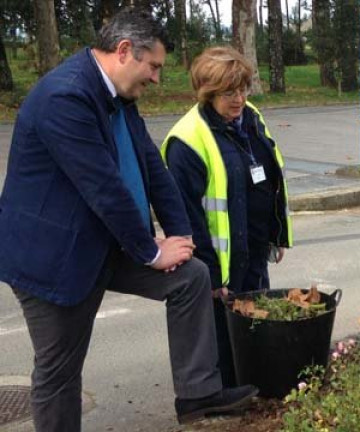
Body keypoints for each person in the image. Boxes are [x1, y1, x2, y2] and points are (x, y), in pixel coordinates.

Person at [0, 9, 258, 430]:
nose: (157, 78)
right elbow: (103, 188)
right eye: (153, 66)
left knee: (191, 276)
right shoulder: (64, 98)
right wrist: (152, 251)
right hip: (53, 259)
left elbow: (153, 169)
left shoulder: (119, 97)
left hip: (106, 242)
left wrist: (181, 236)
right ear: (124, 51)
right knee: (59, 371)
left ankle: (197, 393)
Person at [162, 46, 293, 388]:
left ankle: (255, 381)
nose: (238, 99)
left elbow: (271, 176)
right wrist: (210, 272)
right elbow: (185, 215)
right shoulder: (187, 141)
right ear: (207, 93)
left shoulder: (249, 116)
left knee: (255, 319)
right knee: (225, 334)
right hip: (219, 263)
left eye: (242, 89)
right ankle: (227, 393)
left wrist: (277, 232)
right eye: (227, 93)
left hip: (253, 246)